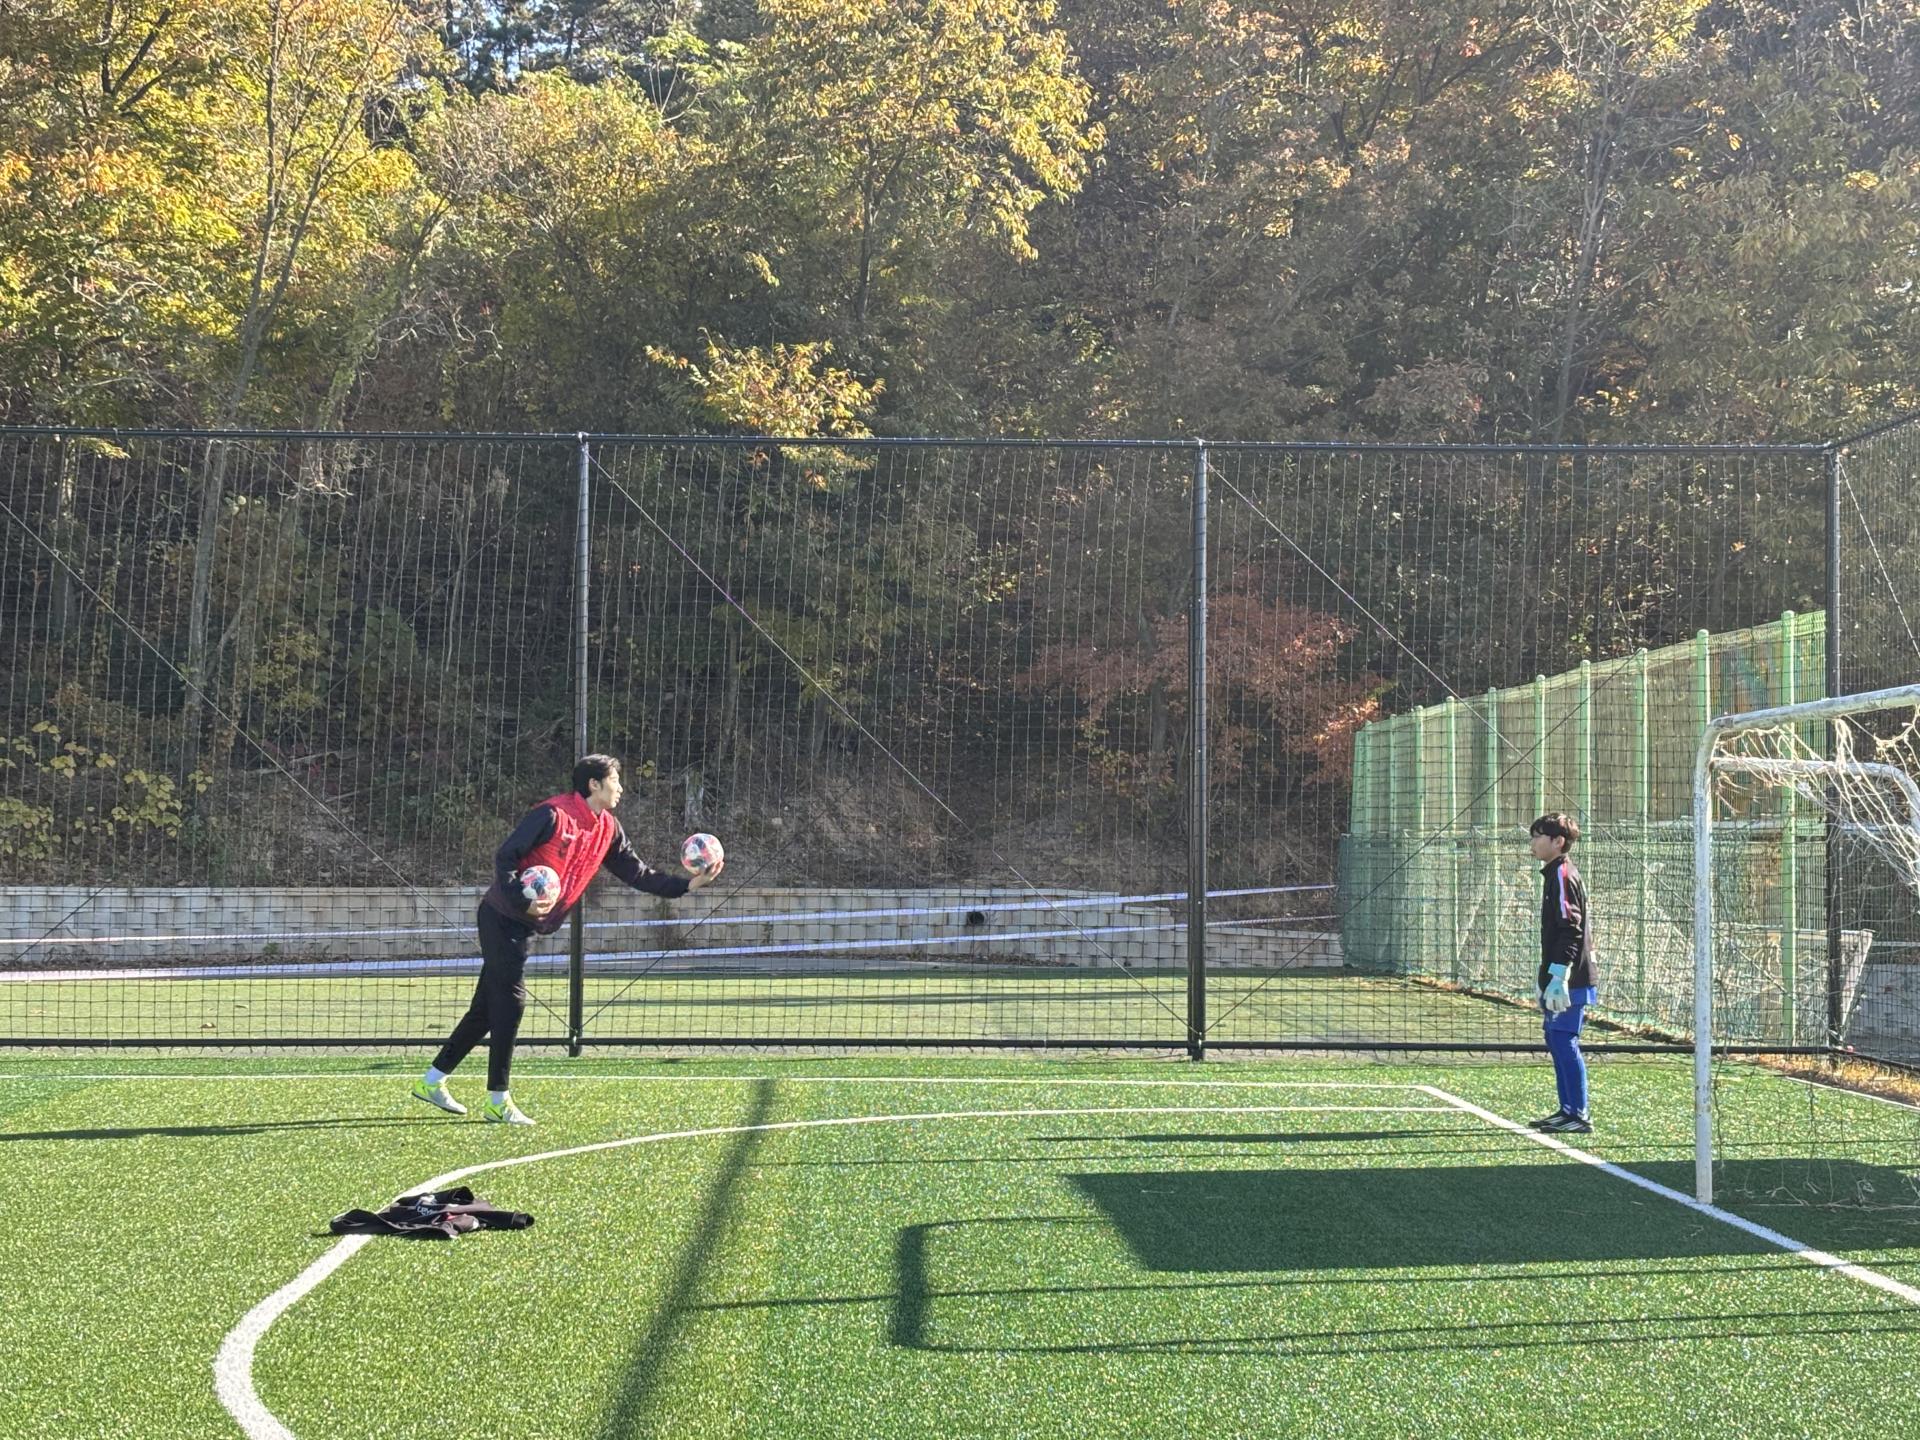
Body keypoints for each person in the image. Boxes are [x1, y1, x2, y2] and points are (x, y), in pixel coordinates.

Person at [410, 754, 722, 1124]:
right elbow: (506, 856)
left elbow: (638, 874)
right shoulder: (552, 815)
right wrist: (521, 899)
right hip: (500, 918)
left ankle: (433, 1081)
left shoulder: (608, 829)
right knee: (511, 1002)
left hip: (524, 927)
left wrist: (688, 885)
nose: (621, 788)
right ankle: (498, 1100)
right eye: (615, 780)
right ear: (594, 784)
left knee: (485, 1011)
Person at [1528, 812, 1599, 1135]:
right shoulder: (1553, 873)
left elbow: (1571, 928)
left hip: (1573, 977)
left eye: (1538, 836)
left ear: (1558, 841)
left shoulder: (1563, 874)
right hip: (1560, 974)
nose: (1533, 843)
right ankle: (1567, 1109)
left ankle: (1579, 1114)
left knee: (1564, 1038)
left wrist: (1559, 976)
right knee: (1554, 1039)